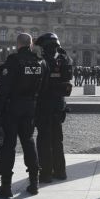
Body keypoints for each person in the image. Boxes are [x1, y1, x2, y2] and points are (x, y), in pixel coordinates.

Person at [0, 33, 48, 198]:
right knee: (29, 143)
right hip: (30, 107)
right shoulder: (40, 62)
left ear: (18, 44)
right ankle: (34, 183)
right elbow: (44, 88)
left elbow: (4, 89)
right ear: (30, 44)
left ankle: (6, 186)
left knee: (8, 146)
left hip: (12, 107)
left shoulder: (14, 61)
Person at [34, 33, 73, 183]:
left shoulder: (41, 62)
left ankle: (45, 174)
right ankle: (60, 171)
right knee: (57, 140)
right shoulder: (63, 60)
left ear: (44, 47)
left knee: (44, 140)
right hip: (59, 105)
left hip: (44, 106)